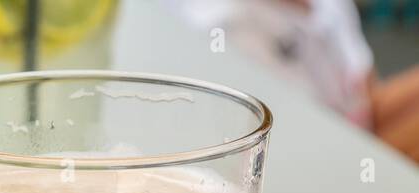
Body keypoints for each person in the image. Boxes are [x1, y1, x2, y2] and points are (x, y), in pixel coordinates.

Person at [167, 0, 419, 161]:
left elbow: (367, 97)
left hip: (353, 139)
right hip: (317, 167)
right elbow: (297, 155)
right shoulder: (224, 25)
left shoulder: (328, 6)